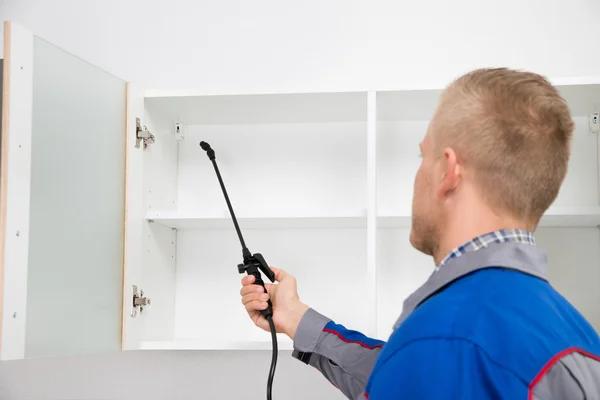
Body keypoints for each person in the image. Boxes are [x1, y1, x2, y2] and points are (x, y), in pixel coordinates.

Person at [240, 68, 600, 399]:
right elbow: (400, 376)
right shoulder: (579, 341)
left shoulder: (446, 335)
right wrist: (297, 318)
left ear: (448, 171)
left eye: (421, 157)